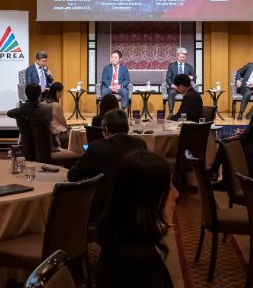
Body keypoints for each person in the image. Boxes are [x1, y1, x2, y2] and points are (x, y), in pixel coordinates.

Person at [96, 150, 174, 288]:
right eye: (169, 188)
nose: (176, 194)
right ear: (146, 199)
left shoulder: (117, 238)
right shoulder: (143, 263)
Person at [68, 109, 148, 219]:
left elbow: (73, 176)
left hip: (102, 211)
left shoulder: (96, 147)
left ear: (105, 130)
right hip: (135, 210)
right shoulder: (140, 145)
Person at [164, 47, 195, 116]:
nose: (182, 59)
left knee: (192, 94)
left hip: (186, 88)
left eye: (184, 57)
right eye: (181, 57)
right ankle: (171, 112)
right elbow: (168, 77)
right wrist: (172, 85)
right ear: (177, 56)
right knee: (171, 92)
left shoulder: (189, 66)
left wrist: (192, 77)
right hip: (175, 87)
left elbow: (194, 75)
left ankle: (190, 113)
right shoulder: (171, 66)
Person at [47, 82, 70, 148]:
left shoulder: (43, 103)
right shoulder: (56, 105)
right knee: (75, 135)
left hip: (48, 134)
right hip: (56, 135)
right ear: (57, 92)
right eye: (61, 92)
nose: (61, 95)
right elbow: (63, 122)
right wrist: (67, 129)